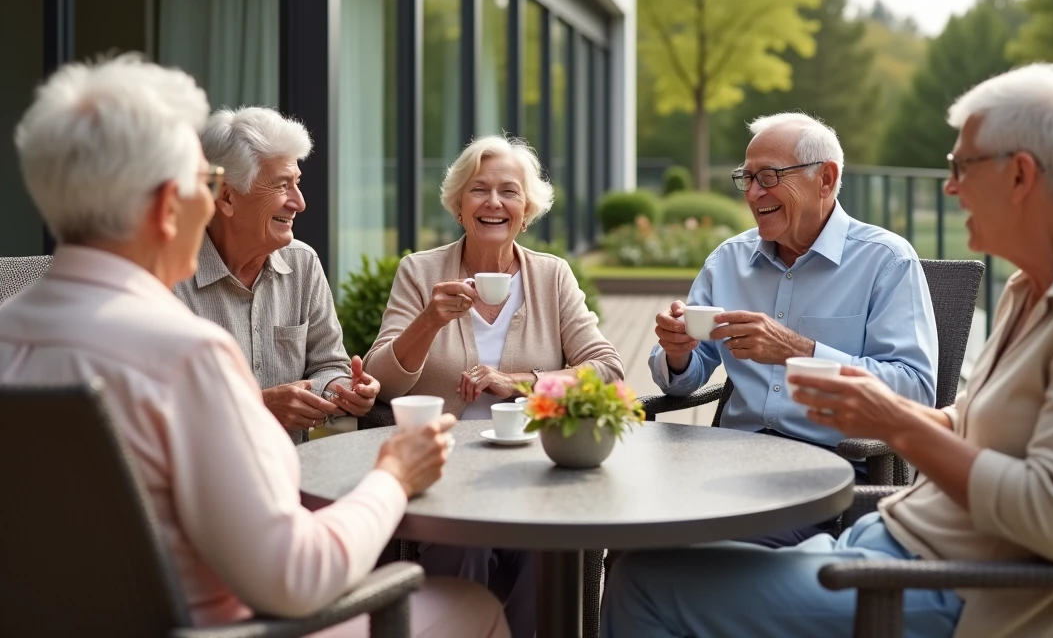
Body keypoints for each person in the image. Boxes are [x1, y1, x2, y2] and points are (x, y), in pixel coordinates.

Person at [601, 63, 1053, 637]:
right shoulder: (1037, 284)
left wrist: (891, 419)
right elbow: (974, 427)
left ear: (1019, 175)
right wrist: (902, 419)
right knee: (655, 561)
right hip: (893, 536)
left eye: (963, 165)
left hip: (957, 590)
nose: (949, 185)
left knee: (644, 582)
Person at [0, 56, 508, 638]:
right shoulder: (186, 354)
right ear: (170, 206)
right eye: (206, 184)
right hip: (228, 626)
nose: (210, 200)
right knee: (472, 604)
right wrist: (394, 474)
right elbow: (297, 577)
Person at [365, 134, 624, 638]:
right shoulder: (420, 273)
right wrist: (428, 321)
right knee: (464, 540)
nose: (494, 202)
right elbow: (383, 384)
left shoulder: (552, 277)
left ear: (526, 210)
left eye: (509, 191)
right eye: (479, 190)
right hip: (444, 473)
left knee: (548, 548)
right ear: (459, 205)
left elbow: (607, 369)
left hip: (535, 470)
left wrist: (523, 382)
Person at [650, 112, 937, 543]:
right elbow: (683, 381)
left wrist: (798, 350)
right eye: (745, 178)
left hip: (829, 471)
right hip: (726, 463)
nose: (752, 193)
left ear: (825, 179)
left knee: (691, 552)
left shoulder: (886, 261)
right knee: (630, 534)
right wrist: (676, 351)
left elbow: (915, 391)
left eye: (767, 176)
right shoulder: (728, 260)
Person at [175, 107, 378, 444]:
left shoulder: (302, 263)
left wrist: (341, 391)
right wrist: (260, 405)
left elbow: (328, 364)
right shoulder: (170, 277)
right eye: (283, 186)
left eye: (297, 183)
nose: (299, 203)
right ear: (226, 196)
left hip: (292, 473)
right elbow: (156, 404)